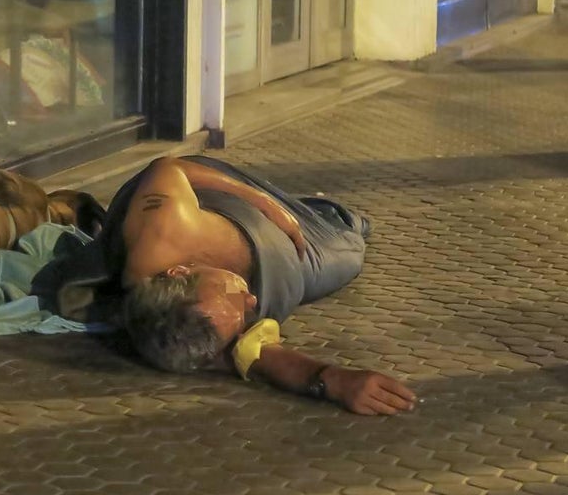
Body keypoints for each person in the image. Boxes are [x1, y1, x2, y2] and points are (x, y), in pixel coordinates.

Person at [99, 155, 416, 416]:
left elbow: (168, 167)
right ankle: (334, 219)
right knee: (345, 256)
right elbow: (257, 354)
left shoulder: (163, 229)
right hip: (276, 255)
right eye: (244, 310)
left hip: (212, 196)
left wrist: (262, 201)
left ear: (179, 271)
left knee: (331, 235)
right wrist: (330, 380)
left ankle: (325, 213)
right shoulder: (181, 331)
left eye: (231, 292)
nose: (250, 299)